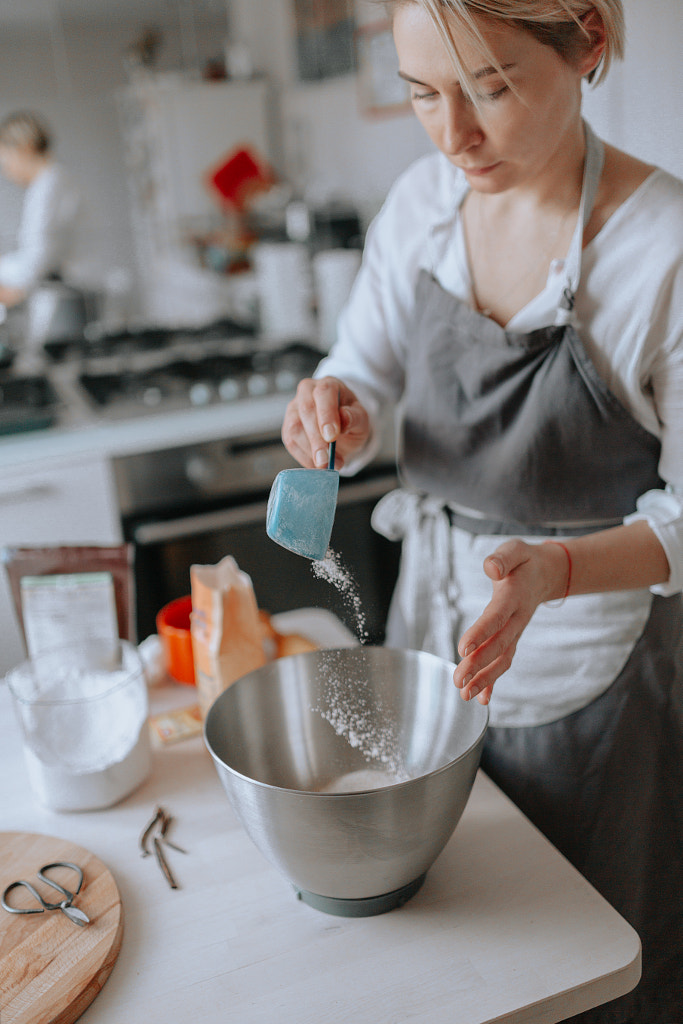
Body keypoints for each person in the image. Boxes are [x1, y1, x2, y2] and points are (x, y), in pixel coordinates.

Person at [281, 2, 683, 1021]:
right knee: (455, 953)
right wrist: (336, 405)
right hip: (432, 643)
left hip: (592, 658)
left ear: (585, 42)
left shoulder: (663, 248)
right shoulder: (421, 204)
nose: (451, 134)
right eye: (422, 94)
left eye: (491, 89)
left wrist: (554, 572)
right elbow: (359, 368)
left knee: (587, 957)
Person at [0, 110, 85, 348]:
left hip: (65, 302)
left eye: (6, 160)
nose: (6, 171)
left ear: (26, 147)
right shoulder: (51, 182)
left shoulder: (49, 185)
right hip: (59, 298)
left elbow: (36, 259)